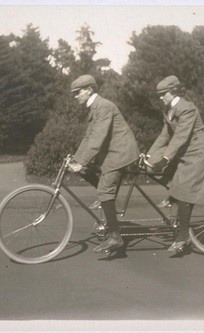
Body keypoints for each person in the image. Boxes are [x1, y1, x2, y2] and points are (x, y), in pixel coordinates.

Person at [146, 75, 204, 256]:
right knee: (155, 170)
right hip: (187, 152)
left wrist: (164, 158)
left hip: (200, 151)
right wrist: (148, 155)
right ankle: (174, 198)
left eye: (163, 94)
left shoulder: (187, 108)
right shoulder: (169, 110)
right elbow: (164, 136)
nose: (160, 97)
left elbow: (181, 136)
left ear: (174, 92)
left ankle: (182, 237)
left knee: (184, 190)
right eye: (159, 94)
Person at [67, 74, 140, 254]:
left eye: (78, 92)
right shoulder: (95, 108)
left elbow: (98, 138)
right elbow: (88, 137)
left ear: (89, 90)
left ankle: (115, 237)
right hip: (112, 153)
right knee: (86, 172)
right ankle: (106, 203)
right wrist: (76, 160)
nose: (75, 96)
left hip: (121, 153)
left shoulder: (104, 106)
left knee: (105, 190)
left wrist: (81, 161)